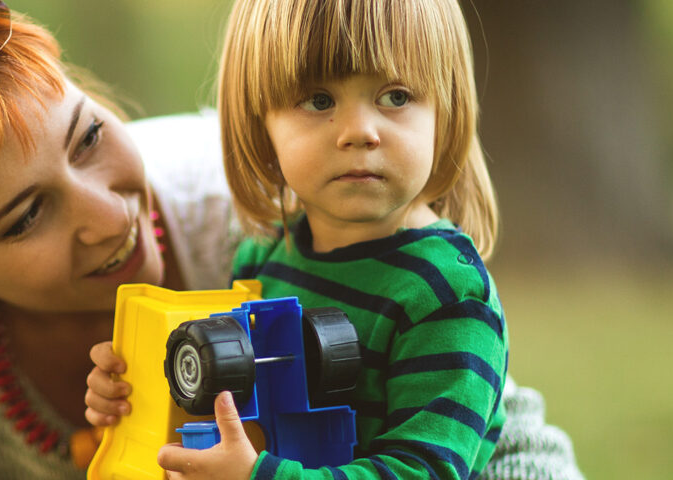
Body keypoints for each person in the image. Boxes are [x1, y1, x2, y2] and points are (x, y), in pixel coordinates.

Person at [0, 0, 581, 478]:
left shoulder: (271, 205)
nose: (108, 215)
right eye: (25, 215)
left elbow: (511, 450)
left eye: (86, 138)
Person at [84, 1, 585, 479]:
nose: (359, 131)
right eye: (318, 100)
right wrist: (143, 394)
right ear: (263, 127)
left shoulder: (445, 294)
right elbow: (240, 411)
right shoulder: (264, 258)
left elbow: (422, 470)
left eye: (396, 96)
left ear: (446, 112)